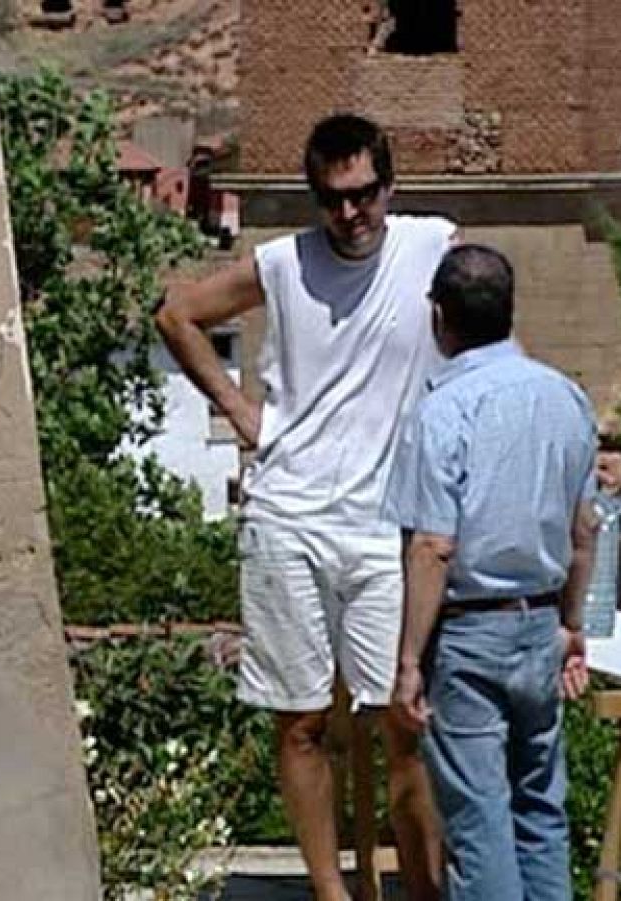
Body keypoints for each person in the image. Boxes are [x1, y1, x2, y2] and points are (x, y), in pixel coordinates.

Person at [156, 114, 448, 901]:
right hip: (288, 514)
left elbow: (483, 331)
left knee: (404, 724)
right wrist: (239, 410)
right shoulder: (284, 263)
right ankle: (330, 893)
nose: (350, 215)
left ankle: (426, 889)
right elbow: (177, 314)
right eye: (332, 199)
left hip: (385, 526)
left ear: (387, 185)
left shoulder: (429, 245)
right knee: (301, 719)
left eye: (361, 196)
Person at [384, 244, 598, 900]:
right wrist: (571, 623)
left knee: (479, 823)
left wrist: (410, 660)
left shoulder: (441, 411)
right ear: (510, 312)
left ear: (438, 316)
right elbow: (584, 527)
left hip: (470, 630)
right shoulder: (566, 397)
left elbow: (433, 546)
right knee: (540, 809)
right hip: (539, 623)